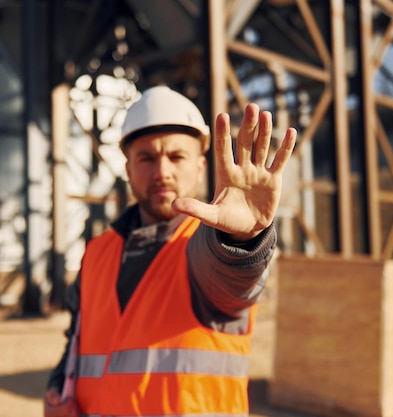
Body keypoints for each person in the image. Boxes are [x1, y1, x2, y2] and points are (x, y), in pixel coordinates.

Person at [43, 85, 296, 417]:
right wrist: (58, 389)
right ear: (128, 169)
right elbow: (77, 339)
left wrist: (243, 240)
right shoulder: (97, 252)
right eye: (146, 158)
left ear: (201, 166)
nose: (162, 171)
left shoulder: (207, 246)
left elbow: (230, 278)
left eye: (177, 156)